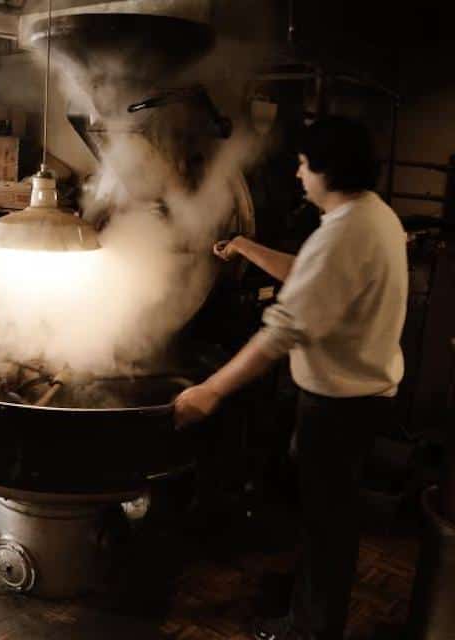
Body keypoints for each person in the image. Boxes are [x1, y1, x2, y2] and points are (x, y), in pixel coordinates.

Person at [174, 116, 409, 640]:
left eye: (304, 165)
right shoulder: (372, 216)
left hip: (339, 404)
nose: (299, 176)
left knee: (329, 526)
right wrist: (244, 245)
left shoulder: (345, 234)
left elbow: (282, 329)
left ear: (327, 169)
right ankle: (311, 603)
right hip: (364, 396)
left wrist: (211, 390)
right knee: (328, 516)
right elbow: (311, 273)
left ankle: (310, 628)